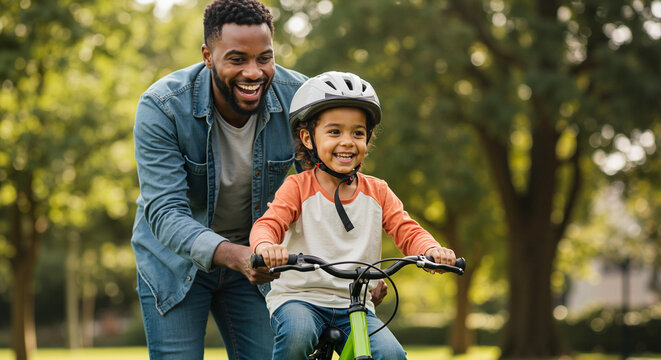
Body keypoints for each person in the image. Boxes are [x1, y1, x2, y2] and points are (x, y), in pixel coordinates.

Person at [130, 0, 308, 358]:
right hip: (173, 261)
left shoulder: (300, 101)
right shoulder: (162, 106)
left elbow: (328, 191)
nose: (254, 72)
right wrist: (237, 255)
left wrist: (354, 267)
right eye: (237, 59)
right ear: (208, 55)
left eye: (264, 58)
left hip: (256, 263)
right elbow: (165, 212)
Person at [250, 71, 457, 360]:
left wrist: (431, 250)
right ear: (308, 138)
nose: (347, 141)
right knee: (296, 334)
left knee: (392, 354)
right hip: (300, 299)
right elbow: (268, 224)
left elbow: (407, 230)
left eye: (357, 133)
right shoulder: (298, 187)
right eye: (334, 132)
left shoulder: (378, 191)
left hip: (355, 303)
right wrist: (266, 247)